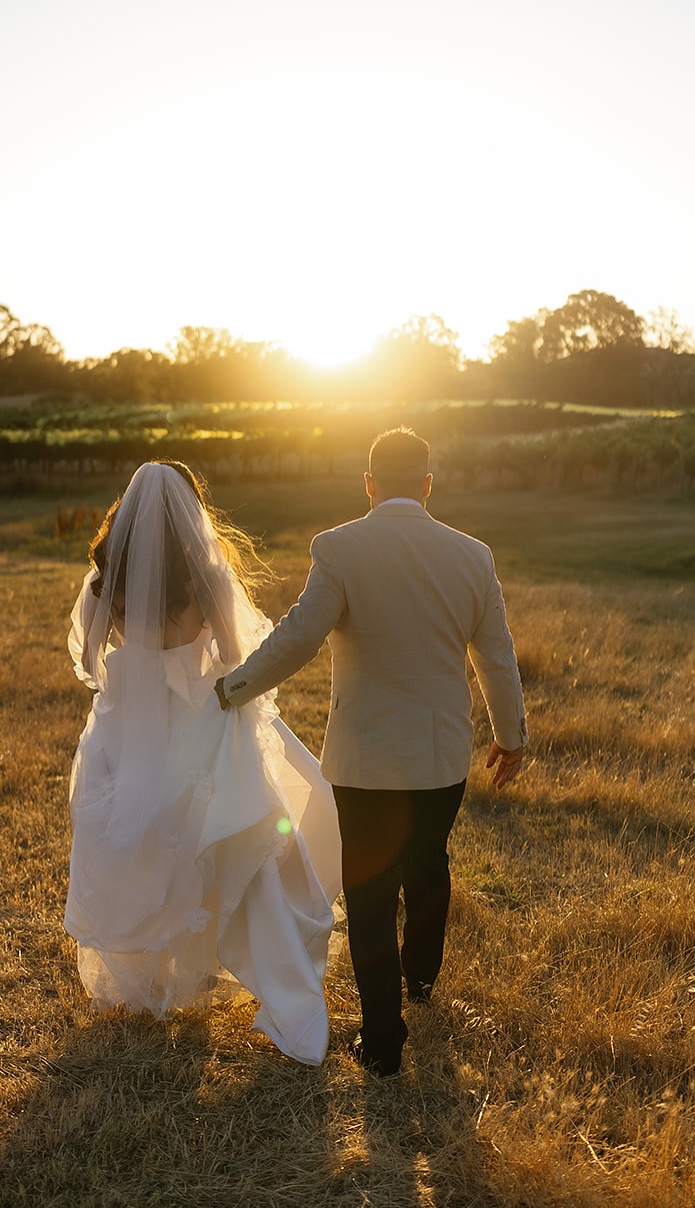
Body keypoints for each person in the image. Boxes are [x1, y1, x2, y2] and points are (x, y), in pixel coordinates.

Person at [215, 428, 527, 1077]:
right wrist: (510, 734)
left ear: (367, 482)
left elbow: (298, 638)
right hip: (439, 755)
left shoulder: (339, 548)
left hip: (361, 761)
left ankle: (382, 1038)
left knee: (368, 893)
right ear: (426, 483)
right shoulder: (472, 555)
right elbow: (494, 656)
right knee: (428, 861)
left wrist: (233, 687)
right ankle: (420, 977)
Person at [64, 460, 341, 1066]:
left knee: (138, 841)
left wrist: (130, 662)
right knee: (233, 837)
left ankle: (149, 981)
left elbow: (88, 657)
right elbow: (238, 652)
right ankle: (266, 967)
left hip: (127, 719)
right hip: (197, 713)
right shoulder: (202, 572)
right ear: (192, 513)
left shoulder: (106, 573)